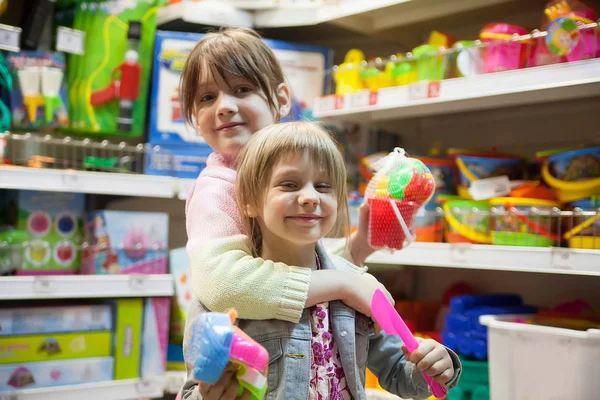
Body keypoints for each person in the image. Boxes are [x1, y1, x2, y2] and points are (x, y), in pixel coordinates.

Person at [182, 122, 462, 400]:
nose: (309, 198)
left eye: (323, 186)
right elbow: (192, 391)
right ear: (249, 201)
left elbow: (400, 373)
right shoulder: (228, 297)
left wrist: (436, 365)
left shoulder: (358, 285)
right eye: (289, 184)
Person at [181, 27, 392, 326]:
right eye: (207, 97)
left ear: (281, 100)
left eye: (242, 89)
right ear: (193, 114)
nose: (224, 107)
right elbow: (222, 284)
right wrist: (344, 283)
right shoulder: (216, 189)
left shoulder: (293, 165)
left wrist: (357, 248)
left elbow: (294, 263)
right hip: (245, 368)